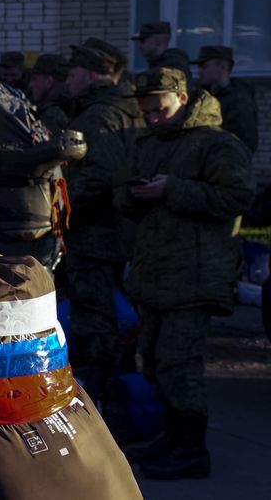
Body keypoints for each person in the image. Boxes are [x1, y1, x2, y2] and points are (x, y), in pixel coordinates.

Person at [118, 67, 255, 480]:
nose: (155, 119)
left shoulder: (216, 144)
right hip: (156, 272)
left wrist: (172, 189)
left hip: (195, 276)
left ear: (182, 97)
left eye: (160, 110)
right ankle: (173, 437)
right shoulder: (154, 142)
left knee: (181, 366)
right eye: (148, 113)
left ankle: (192, 450)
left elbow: (237, 196)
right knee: (157, 364)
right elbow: (129, 197)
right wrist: (135, 194)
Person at [60, 39, 144, 399]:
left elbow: (102, 173)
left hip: (96, 234)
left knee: (95, 322)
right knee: (113, 316)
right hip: (117, 230)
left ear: (93, 74)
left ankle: (106, 404)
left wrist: (64, 207)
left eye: (74, 73)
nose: (69, 81)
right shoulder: (125, 108)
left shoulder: (99, 115)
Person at [192, 44, 258, 154]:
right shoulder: (201, 96)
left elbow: (246, 141)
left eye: (204, 66)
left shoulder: (239, 101)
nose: (199, 72)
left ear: (223, 67)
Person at [28, 53, 71, 133]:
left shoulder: (53, 117)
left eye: (35, 79)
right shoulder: (69, 106)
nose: (30, 85)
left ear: (48, 81)